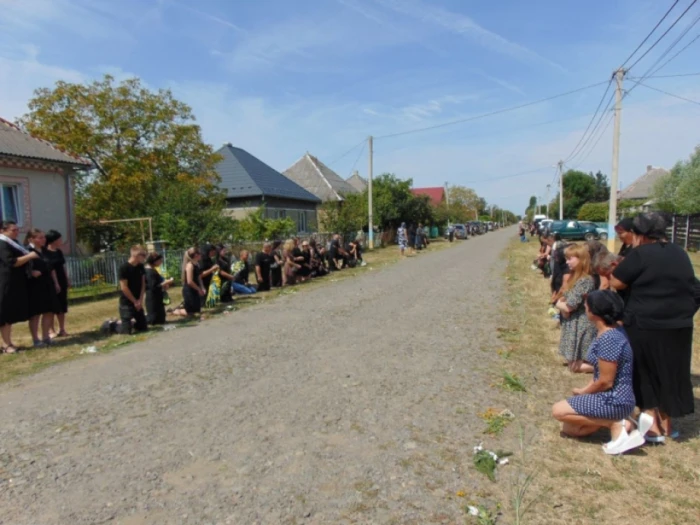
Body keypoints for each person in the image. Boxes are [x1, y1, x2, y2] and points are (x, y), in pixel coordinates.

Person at [610, 213, 697, 442]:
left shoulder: (640, 254)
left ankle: (652, 427)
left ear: (641, 235)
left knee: (646, 373)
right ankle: (669, 425)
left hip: (645, 324)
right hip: (678, 324)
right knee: (671, 372)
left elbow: (616, 282)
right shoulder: (680, 252)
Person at [552, 290, 652, 455]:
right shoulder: (613, 329)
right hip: (617, 396)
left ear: (595, 312)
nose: (584, 308)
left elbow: (605, 381)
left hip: (615, 398)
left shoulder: (609, 339)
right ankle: (627, 423)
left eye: (586, 306)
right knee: (571, 429)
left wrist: (583, 392)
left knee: (558, 411)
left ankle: (615, 423)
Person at [554, 243, 597, 373]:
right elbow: (565, 299)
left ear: (581, 259)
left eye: (570, 259)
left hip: (581, 324)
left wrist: (558, 304)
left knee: (574, 367)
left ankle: (605, 370)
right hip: (573, 322)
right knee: (570, 362)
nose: (567, 262)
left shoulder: (585, 280)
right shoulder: (575, 277)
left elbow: (569, 306)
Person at [0, 221, 36, 353]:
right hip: (5, 282)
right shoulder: (2, 243)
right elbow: (11, 262)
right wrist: (30, 256)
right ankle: (6, 345)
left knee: (9, 314)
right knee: (5, 315)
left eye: (17, 229)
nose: (16, 232)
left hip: (15, 282)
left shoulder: (13, 243)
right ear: (3, 231)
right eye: (13, 230)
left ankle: (8, 342)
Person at [25, 228, 60, 347]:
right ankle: (36, 339)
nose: (43, 239)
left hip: (47, 282)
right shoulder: (26, 251)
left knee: (49, 311)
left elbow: (51, 268)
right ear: (31, 239)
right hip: (34, 285)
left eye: (44, 237)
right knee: (36, 313)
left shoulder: (45, 251)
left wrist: (56, 283)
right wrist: (31, 272)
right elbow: (21, 267)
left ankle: (46, 337)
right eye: (40, 237)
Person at [44, 230, 71, 338]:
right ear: (53, 240)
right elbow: (51, 269)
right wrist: (56, 283)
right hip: (51, 281)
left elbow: (62, 266)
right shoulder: (45, 252)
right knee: (52, 307)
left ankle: (62, 329)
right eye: (59, 239)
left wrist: (67, 278)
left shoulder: (58, 252)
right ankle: (51, 330)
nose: (61, 241)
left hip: (61, 279)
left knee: (62, 305)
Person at [116, 245, 147, 334]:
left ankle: (133, 322)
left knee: (143, 328)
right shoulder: (124, 268)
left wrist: (140, 300)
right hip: (127, 301)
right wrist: (134, 301)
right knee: (126, 332)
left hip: (138, 300)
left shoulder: (140, 267)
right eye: (143, 255)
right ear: (136, 255)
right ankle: (113, 325)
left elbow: (143, 284)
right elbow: (124, 287)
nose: (144, 258)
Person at [173, 247, 205, 319]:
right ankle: (176, 311)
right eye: (199, 254)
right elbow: (189, 281)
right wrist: (198, 289)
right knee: (191, 313)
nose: (201, 255)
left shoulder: (196, 264)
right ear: (196, 255)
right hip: (189, 290)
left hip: (195, 289)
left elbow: (199, 277)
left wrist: (202, 287)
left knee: (197, 311)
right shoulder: (189, 265)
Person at [144, 252, 173, 326]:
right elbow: (153, 286)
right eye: (160, 260)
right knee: (153, 320)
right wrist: (166, 282)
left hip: (158, 296)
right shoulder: (149, 271)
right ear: (154, 261)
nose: (161, 262)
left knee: (161, 319)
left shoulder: (153, 270)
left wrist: (164, 284)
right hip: (152, 298)